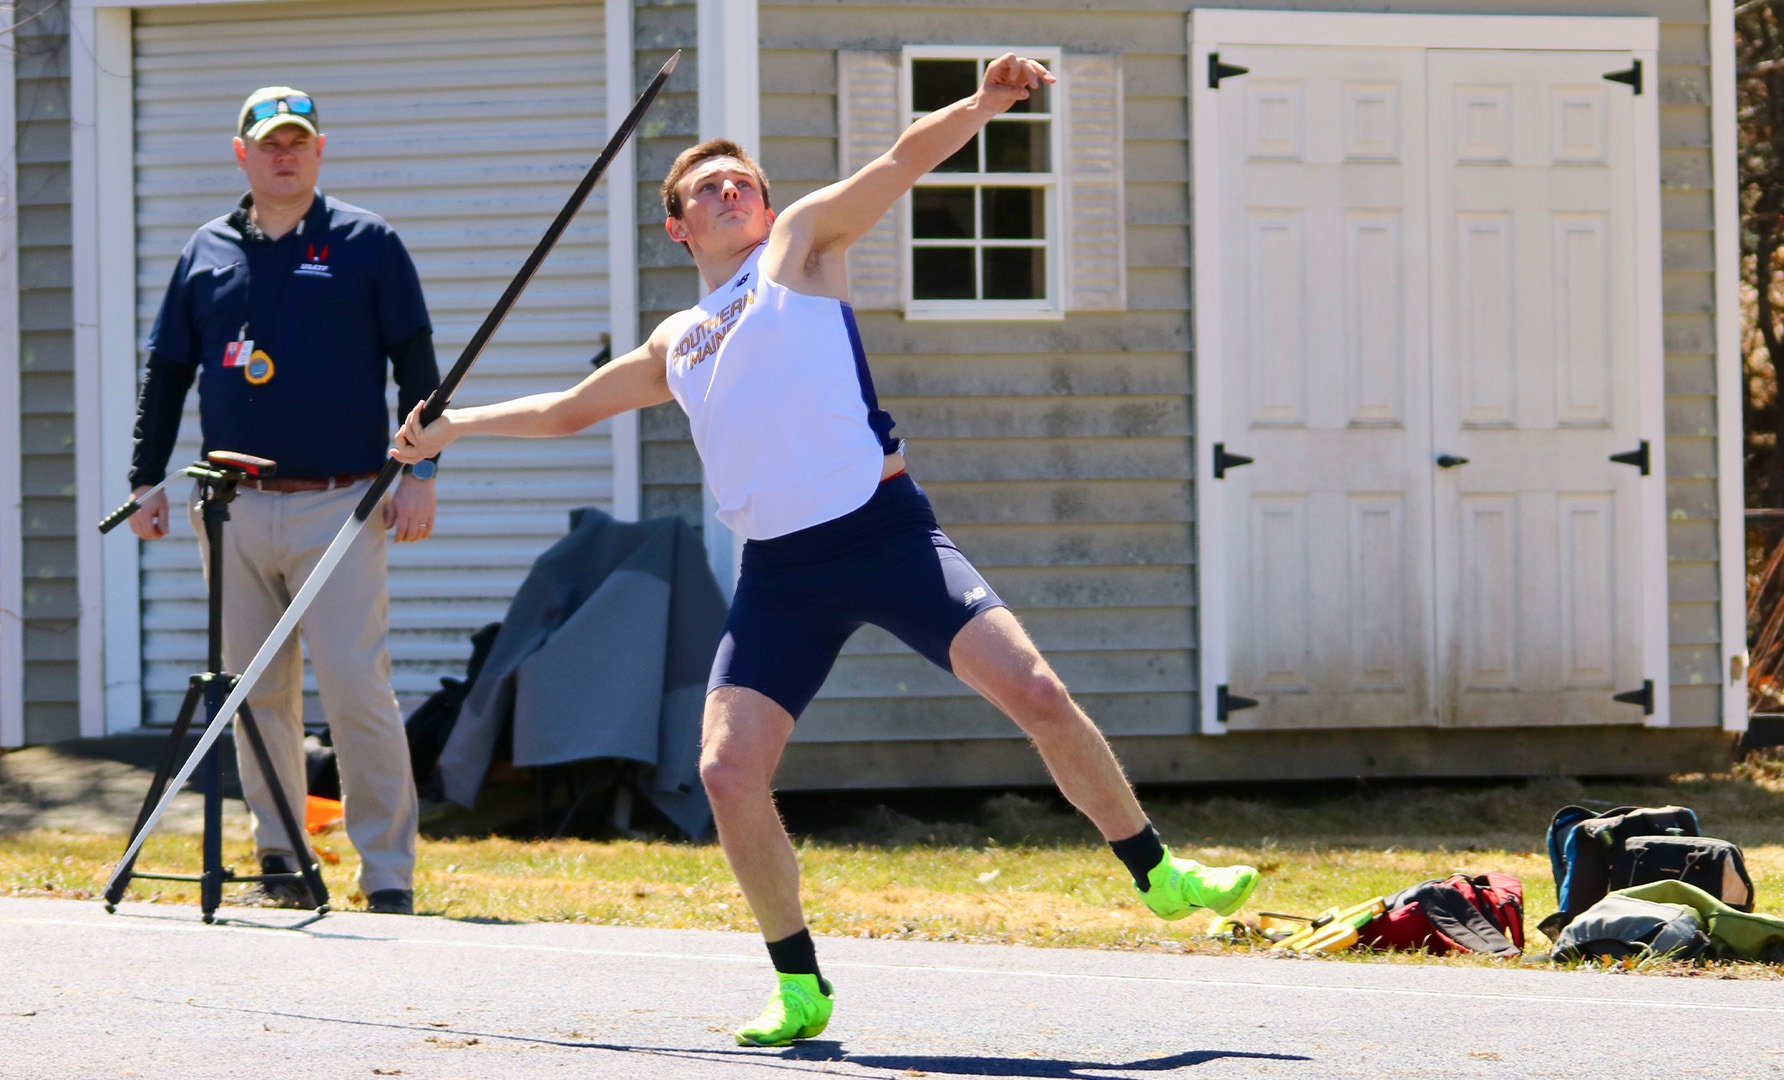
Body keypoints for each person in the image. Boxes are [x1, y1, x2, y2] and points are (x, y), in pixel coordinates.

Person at [391, 55, 1259, 1040]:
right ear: (676, 227)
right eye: (705, 189)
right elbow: (565, 411)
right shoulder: (675, 340)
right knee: (726, 772)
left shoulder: (798, 250)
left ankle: (1160, 870)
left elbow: (898, 159)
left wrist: (982, 104)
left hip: (886, 535)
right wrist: (452, 426)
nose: (731, 190)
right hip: (780, 577)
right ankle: (799, 984)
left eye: (743, 182)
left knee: (1038, 694)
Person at [126, 86, 440, 916]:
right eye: (268, 143)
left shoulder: (367, 244)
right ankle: (281, 857)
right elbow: (166, 375)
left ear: (320, 149)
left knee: (353, 687)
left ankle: (387, 872)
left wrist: (420, 476)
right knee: (253, 691)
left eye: (298, 141)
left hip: (339, 504)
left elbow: (419, 368)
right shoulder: (206, 252)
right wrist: (142, 480)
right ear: (242, 154)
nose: (284, 154)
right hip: (230, 507)